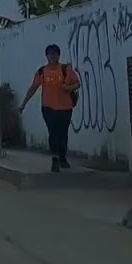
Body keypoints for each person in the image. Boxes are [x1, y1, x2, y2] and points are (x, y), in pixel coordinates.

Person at [19, 43, 79, 172]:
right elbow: (33, 88)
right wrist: (23, 104)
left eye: (55, 54)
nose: (52, 56)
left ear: (58, 55)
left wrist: (67, 88)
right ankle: (55, 159)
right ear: (46, 56)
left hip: (65, 107)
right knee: (53, 132)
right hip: (48, 107)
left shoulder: (66, 69)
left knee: (63, 133)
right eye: (50, 54)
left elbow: (77, 84)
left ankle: (62, 156)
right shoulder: (42, 71)